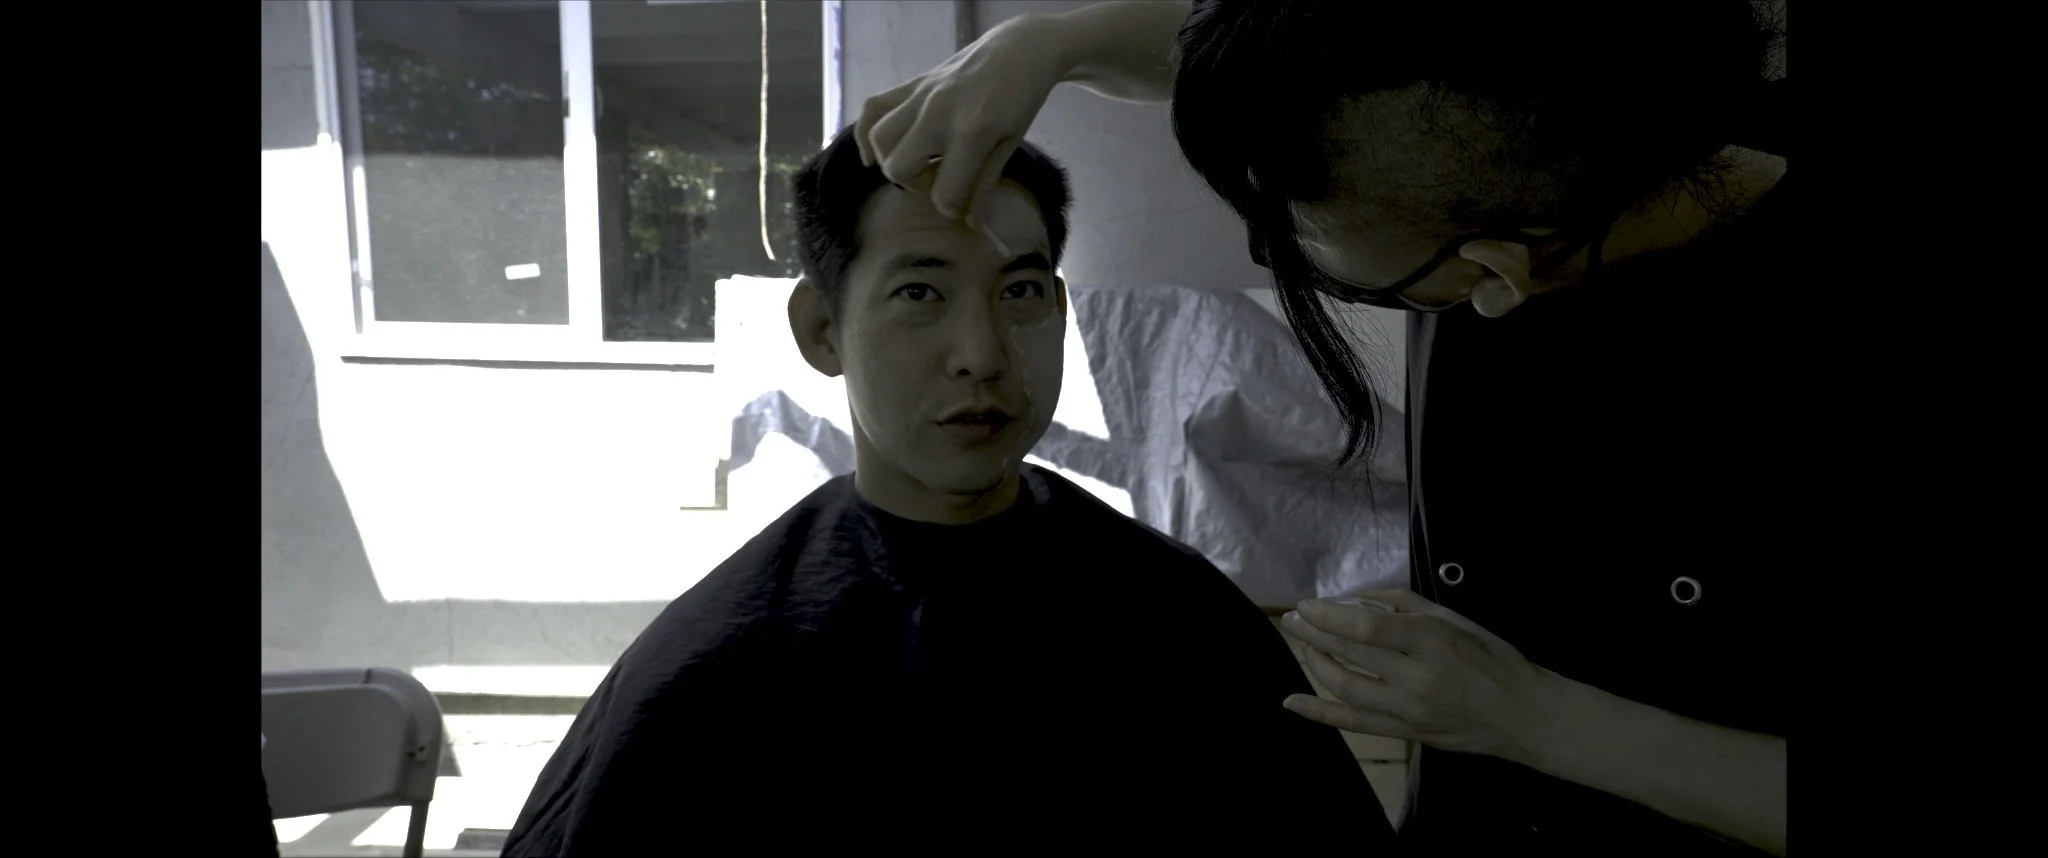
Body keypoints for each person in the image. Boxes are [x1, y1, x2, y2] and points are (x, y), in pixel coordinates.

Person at [854, 1, 1790, 855]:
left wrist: (1532, 718)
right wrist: (1052, 43)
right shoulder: (1535, 115)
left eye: (1322, 256)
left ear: (1496, 277)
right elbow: (1316, 65)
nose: (977, 354)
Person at [499, 129, 1392, 854]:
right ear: (821, 328)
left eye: (1020, 290)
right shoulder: (713, 674)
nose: (983, 352)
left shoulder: (1184, 624)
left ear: (1060, 313)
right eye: (921, 291)